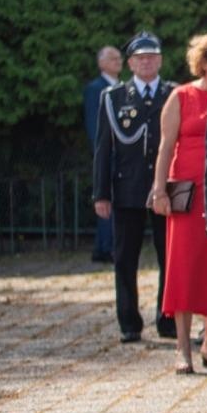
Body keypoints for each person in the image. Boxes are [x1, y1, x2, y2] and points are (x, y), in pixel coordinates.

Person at [152, 32, 207, 373]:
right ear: (204, 64)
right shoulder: (181, 96)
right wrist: (159, 190)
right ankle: (182, 347)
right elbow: (165, 146)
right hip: (187, 195)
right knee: (183, 269)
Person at [94, 32, 176, 342]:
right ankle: (129, 323)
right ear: (130, 63)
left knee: (169, 257)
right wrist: (101, 193)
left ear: (160, 60)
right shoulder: (114, 97)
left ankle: (168, 319)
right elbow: (103, 148)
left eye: (152, 57)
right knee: (125, 259)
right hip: (127, 189)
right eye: (140, 58)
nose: (146, 62)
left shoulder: (173, 93)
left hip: (166, 189)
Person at [83, 45, 122, 263]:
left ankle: (108, 245)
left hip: (123, 156)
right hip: (108, 155)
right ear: (101, 63)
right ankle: (105, 248)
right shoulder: (95, 89)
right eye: (112, 58)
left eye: (119, 58)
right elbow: (94, 125)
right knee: (105, 199)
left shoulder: (123, 87)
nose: (118, 61)